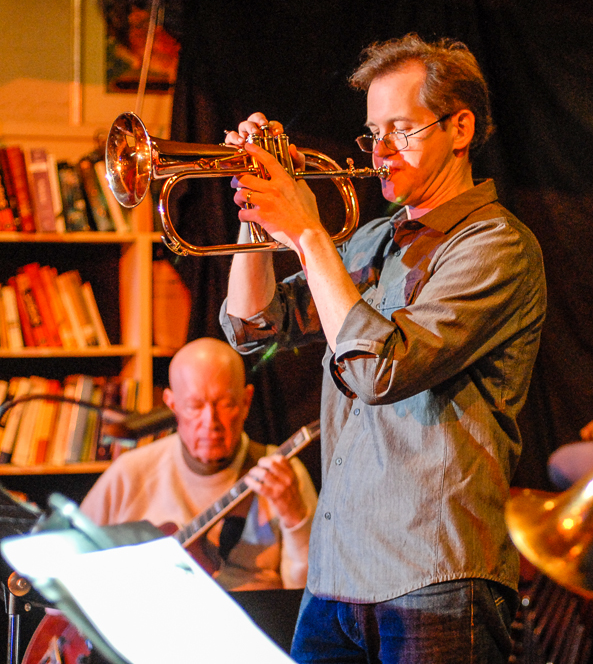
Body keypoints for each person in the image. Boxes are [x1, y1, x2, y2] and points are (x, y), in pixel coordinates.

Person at [220, 34, 546, 663]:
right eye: (373, 133)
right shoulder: (374, 241)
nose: (380, 151)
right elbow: (253, 325)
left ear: (460, 128)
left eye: (400, 129)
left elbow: (380, 370)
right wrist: (256, 211)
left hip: (434, 578)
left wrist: (307, 232)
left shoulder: (497, 246)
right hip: (336, 578)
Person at [80, 337, 318, 591]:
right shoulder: (130, 473)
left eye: (225, 404)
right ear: (172, 405)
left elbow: (309, 592)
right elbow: (71, 566)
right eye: (195, 406)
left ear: (246, 401)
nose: (210, 421)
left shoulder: (284, 477)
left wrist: (296, 519)